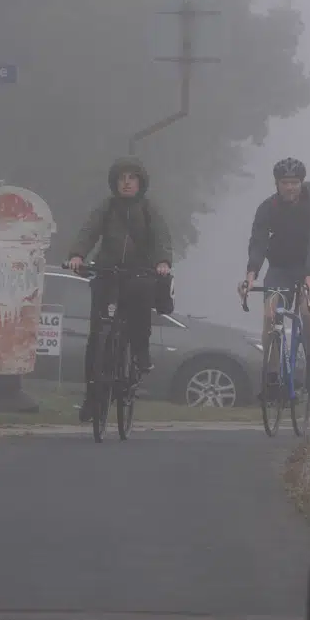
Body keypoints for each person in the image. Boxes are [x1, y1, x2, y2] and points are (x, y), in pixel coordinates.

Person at [66, 156, 174, 423]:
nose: (126, 183)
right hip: (107, 271)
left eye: (131, 178)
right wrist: (78, 255)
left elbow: (161, 236)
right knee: (97, 335)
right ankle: (93, 397)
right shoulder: (107, 207)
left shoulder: (149, 209)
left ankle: (140, 351)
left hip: (139, 272)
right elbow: (88, 230)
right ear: (115, 184)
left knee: (140, 306)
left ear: (140, 183)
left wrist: (162, 262)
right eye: (121, 179)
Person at [240, 157, 310, 392]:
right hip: (280, 267)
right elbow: (258, 242)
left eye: (295, 182)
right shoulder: (267, 208)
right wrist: (251, 274)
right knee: (270, 316)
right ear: (277, 184)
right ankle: (271, 375)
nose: (290, 187)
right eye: (285, 182)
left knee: (308, 311)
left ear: (302, 183)